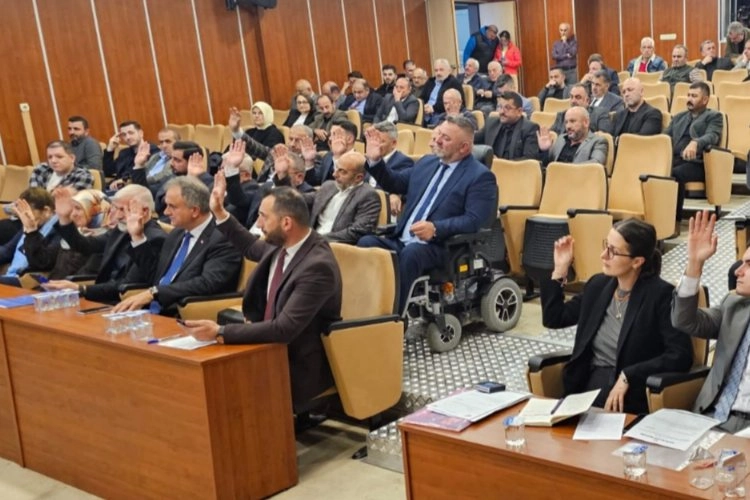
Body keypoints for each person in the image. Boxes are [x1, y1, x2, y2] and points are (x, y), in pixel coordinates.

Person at [183, 154, 342, 412]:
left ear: (286, 223)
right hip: (265, 346)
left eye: (263, 217)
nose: (258, 224)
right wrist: (219, 212)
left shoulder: (317, 266)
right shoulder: (282, 244)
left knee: (218, 389)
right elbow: (249, 246)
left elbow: (284, 329)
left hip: (295, 363)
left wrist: (221, 331)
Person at [541, 220, 693, 414]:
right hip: (586, 384)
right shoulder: (598, 285)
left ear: (637, 262)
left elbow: (680, 355)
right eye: (606, 246)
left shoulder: (661, 295)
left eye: (613, 251)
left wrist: (629, 375)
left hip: (628, 394)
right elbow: (555, 317)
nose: (603, 255)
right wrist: (560, 269)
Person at [358, 116, 497, 312]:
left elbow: (474, 220)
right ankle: (365, 308)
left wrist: (436, 228)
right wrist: (375, 161)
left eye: (446, 138)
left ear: (464, 147)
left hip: (440, 246)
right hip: (403, 239)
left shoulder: (480, 176)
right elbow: (395, 183)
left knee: (412, 254)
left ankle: (394, 316)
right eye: (439, 134)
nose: (437, 140)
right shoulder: (427, 163)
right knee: (366, 243)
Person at [112, 176, 242, 315]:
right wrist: (137, 237)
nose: (166, 212)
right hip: (149, 313)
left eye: (172, 207)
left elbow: (207, 283)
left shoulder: (224, 239)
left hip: (183, 315)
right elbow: (155, 276)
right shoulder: (177, 233)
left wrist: (155, 293)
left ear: (195, 211)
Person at [673, 211, 750, 432]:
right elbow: (684, 321)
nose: (738, 271)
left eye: (749, 265)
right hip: (710, 417)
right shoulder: (733, 305)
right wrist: (694, 263)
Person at [44, 185, 167, 304]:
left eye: (123, 210)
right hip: (100, 297)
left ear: (144, 211)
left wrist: (82, 289)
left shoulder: (155, 239)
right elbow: (85, 245)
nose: (117, 216)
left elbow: (127, 285)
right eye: (115, 208)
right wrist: (65, 219)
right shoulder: (120, 230)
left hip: (123, 304)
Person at [665, 81, 722, 225]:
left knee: (674, 174)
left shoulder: (714, 116)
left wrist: (696, 142)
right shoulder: (679, 117)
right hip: (676, 159)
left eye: (694, 96)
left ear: (705, 99)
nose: (689, 99)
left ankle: (674, 222)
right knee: (656, 170)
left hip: (698, 163)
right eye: (688, 95)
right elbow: (665, 137)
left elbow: (712, 136)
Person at [25, 189, 109, 280]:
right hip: (52, 285)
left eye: (78, 208)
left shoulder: (103, 241)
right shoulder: (68, 236)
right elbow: (42, 262)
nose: (73, 214)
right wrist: (31, 231)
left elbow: (82, 278)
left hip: (72, 287)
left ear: (96, 211)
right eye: (71, 209)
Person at [0, 188, 59, 285]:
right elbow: (7, 251)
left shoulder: (59, 231)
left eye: (27, 212)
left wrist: (32, 232)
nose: (23, 217)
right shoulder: (29, 224)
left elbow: (41, 263)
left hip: (29, 281)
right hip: (12, 276)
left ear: (46, 211)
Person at [475, 91, 540, 160]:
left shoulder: (530, 128)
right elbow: (473, 140)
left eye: (507, 108)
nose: (501, 112)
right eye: (500, 107)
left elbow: (529, 159)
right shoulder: (491, 123)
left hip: (514, 167)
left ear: (519, 111)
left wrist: (501, 163)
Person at [537, 107, 608, 166]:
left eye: (572, 121)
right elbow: (546, 166)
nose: (568, 126)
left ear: (586, 123)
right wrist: (544, 151)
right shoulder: (561, 139)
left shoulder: (598, 141)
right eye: (566, 122)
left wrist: (569, 170)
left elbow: (595, 165)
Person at [611, 78, 663, 143]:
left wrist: (619, 140)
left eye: (630, 90)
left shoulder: (653, 114)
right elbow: (611, 138)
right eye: (624, 92)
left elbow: (641, 140)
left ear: (641, 92)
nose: (626, 94)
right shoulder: (618, 115)